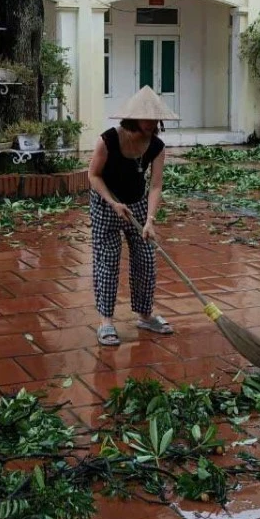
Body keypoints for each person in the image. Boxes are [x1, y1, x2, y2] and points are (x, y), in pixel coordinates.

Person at [88, 86, 176, 347]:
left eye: (154, 119)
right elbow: (93, 175)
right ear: (133, 118)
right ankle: (106, 321)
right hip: (107, 204)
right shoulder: (108, 140)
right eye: (145, 118)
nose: (150, 123)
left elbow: (156, 185)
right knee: (108, 261)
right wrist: (113, 202)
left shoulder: (157, 146)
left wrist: (149, 219)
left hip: (137, 204)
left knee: (147, 259)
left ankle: (145, 315)